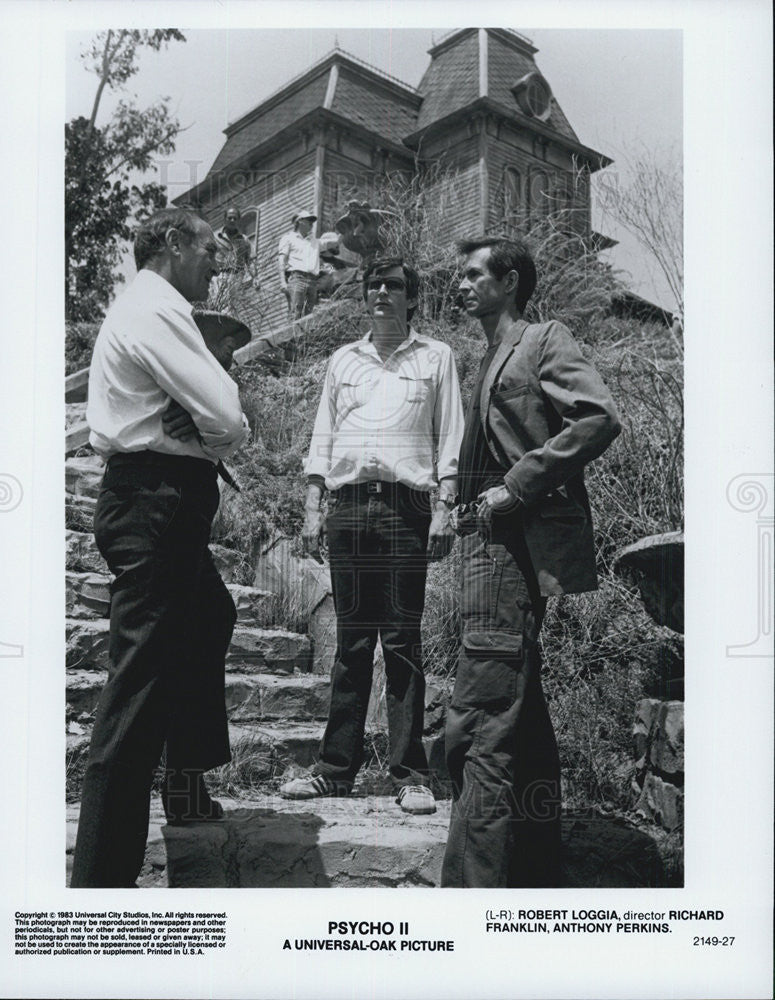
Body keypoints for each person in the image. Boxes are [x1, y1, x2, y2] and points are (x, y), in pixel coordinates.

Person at [70, 207, 250, 888]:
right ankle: (99, 882)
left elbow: (213, 412)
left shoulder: (154, 306)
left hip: (161, 497)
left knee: (211, 614)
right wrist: (216, 424)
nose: (217, 261)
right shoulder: (156, 306)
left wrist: (208, 419)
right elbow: (229, 416)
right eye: (208, 249)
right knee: (136, 688)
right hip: (154, 500)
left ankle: (184, 779)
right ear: (173, 243)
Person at [441, 236, 621, 887]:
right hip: (483, 546)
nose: (458, 285)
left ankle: (470, 897)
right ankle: (537, 867)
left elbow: (597, 417)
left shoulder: (542, 338)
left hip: (512, 550)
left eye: (471, 275)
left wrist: (515, 486)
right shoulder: (486, 356)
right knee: (518, 708)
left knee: (482, 719)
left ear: (508, 279)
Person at [280, 257, 465, 815]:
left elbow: (451, 433)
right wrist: (313, 504)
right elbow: (323, 433)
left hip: (407, 509)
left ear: (412, 297)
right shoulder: (344, 359)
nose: (383, 292)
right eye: (374, 285)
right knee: (353, 644)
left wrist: (445, 507)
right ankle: (335, 769)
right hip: (350, 508)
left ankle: (410, 774)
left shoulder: (437, 357)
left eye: (394, 285)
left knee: (403, 643)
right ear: (365, 296)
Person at [277, 210, 328, 319]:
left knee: (309, 317)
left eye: (312, 221)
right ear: (300, 221)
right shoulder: (289, 238)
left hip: (313, 281)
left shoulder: (314, 241)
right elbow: (282, 259)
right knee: (296, 312)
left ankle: (306, 336)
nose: (311, 223)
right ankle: (294, 335)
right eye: (308, 220)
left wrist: (350, 228)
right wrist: (282, 281)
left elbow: (335, 242)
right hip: (297, 279)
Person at [215, 207, 259, 290]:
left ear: (238, 221)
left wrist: (255, 277)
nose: (232, 220)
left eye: (235, 218)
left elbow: (251, 261)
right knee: (218, 301)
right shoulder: (215, 238)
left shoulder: (244, 240)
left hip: (236, 278)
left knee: (232, 302)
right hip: (219, 276)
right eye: (230, 218)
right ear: (224, 220)